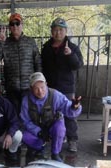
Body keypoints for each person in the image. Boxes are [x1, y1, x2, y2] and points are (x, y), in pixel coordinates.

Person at [41, 17, 84, 152]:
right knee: (49, 114)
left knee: (70, 114)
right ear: (51, 31)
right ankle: (51, 137)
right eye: (55, 30)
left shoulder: (72, 47)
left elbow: (78, 65)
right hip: (50, 88)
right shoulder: (46, 47)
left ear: (65, 31)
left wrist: (70, 55)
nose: (58, 33)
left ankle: (72, 140)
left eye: (60, 30)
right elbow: (42, 66)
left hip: (66, 87)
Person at [20, 72, 82, 163]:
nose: (40, 91)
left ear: (46, 84)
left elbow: (68, 110)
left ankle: (55, 153)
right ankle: (39, 148)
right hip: (36, 129)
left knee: (60, 128)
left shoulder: (55, 95)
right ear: (31, 89)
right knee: (23, 135)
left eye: (42, 87)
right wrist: (39, 132)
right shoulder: (26, 100)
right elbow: (25, 121)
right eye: (36, 88)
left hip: (52, 126)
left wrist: (74, 107)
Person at [0, 13, 42, 113]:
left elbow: (38, 62)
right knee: (14, 116)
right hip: (11, 88)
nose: (15, 26)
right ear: (9, 27)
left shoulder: (30, 42)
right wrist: (0, 42)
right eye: (12, 24)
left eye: (17, 23)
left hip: (29, 87)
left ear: (22, 25)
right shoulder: (4, 42)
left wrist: (39, 82)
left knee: (29, 114)